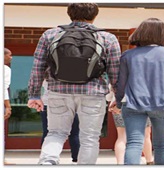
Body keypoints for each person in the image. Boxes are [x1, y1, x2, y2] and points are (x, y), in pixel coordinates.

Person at [27, 3, 121, 165]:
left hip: (57, 91)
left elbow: (38, 66)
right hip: (93, 93)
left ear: (70, 14)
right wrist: (118, 97)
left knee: (56, 132)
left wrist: (34, 94)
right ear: (95, 16)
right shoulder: (107, 38)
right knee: (90, 137)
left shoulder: (50, 34)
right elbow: (115, 71)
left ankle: (47, 163)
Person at [109, 17, 164, 165]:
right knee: (162, 144)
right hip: (163, 104)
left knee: (133, 143)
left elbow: (121, 84)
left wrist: (118, 103)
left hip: (133, 105)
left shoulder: (128, 55)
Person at [105, 85, 154, 165]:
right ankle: (149, 161)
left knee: (121, 137)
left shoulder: (119, 72)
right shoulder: (143, 72)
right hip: (142, 102)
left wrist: (111, 98)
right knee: (145, 134)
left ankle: (120, 163)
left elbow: (111, 89)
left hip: (119, 104)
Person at [39, 80, 80, 164]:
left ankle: (47, 158)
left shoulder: (49, 70)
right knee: (74, 133)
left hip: (48, 102)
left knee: (49, 133)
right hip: (71, 103)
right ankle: (77, 159)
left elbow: (41, 83)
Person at [4, 48, 13, 165]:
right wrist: (8, 106)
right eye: (9, 55)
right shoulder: (5, 69)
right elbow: (3, 87)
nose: (11, 57)